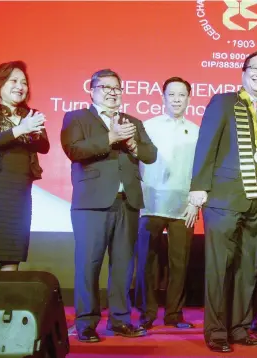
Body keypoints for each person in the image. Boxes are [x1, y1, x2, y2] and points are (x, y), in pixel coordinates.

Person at [189, 50, 257, 353]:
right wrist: (199, 188)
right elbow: (206, 146)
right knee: (219, 268)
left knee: (249, 269)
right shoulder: (224, 102)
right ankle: (216, 331)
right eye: (256, 68)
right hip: (224, 200)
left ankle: (240, 328)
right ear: (243, 71)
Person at [61, 69, 157, 343]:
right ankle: (86, 323)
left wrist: (133, 145)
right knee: (88, 265)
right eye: (106, 87)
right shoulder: (77, 117)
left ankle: (120, 320)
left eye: (117, 87)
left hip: (127, 202)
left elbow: (151, 154)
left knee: (123, 265)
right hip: (91, 203)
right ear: (91, 90)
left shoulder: (133, 121)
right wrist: (111, 139)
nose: (113, 92)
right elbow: (74, 150)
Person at [135, 77, 198, 330]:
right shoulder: (147, 126)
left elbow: (200, 171)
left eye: (181, 95)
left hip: (184, 206)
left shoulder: (196, 131)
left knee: (179, 262)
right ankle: (147, 313)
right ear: (162, 97)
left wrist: (195, 201)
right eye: (171, 94)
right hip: (149, 202)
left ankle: (174, 314)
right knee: (146, 261)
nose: (176, 99)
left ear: (189, 99)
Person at [0, 61, 49, 272]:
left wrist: (34, 132)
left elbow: (44, 147)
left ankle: (6, 305)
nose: (20, 86)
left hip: (19, 193)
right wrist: (20, 130)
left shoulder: (30, 115)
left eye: (24, 82)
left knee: (11, 256)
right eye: (14, 81)